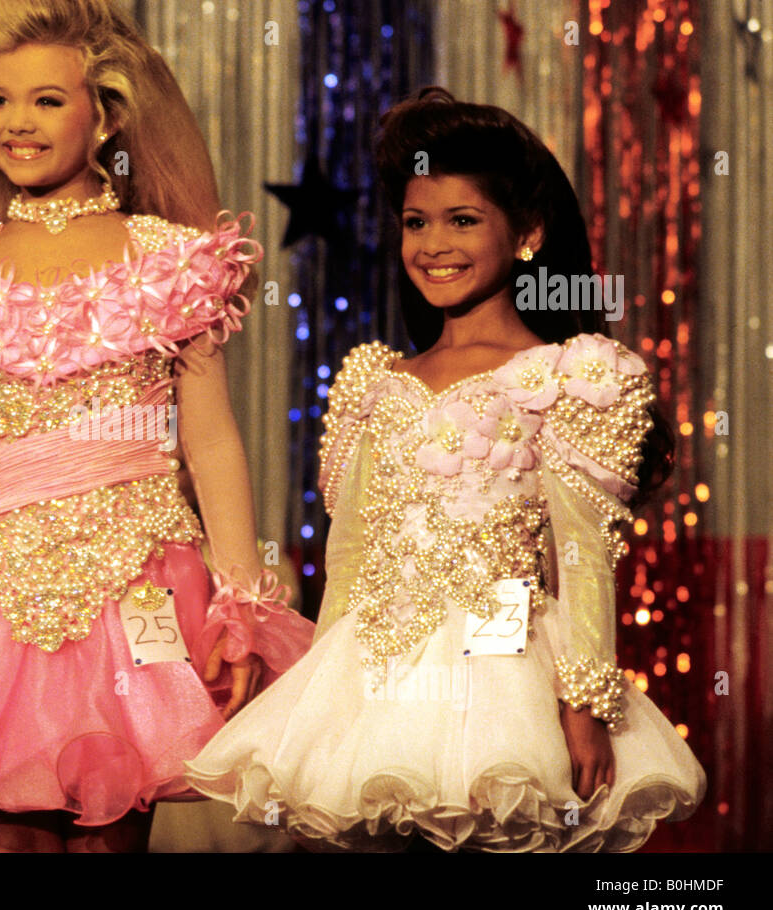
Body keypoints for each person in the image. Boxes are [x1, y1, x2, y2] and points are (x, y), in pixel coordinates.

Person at [185, 88, 706, 852]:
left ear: (526, 232)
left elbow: (584, 556)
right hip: (380, 671)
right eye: (416, 222)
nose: (435, 243)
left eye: (463, 220)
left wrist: (584, 704)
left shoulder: (570, 378)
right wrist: (315, 700)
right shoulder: (374, 381)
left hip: (506, 669)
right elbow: (352, 557)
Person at [0, 0, 312, 853]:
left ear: (103, 116)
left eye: (47, 101)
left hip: (135, 580)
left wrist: (240, 606)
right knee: (2, 839)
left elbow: (211, 443)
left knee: (111, 834)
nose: (16, 122)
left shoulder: (168, 257)